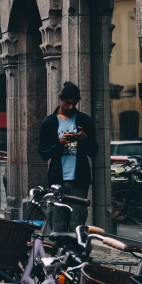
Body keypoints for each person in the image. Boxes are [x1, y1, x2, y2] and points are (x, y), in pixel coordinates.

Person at [39, 81, 99, 232]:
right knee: (57, 223)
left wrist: (84, 139)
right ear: (61, 99)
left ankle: (76, 253)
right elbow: (43, 153)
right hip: (57, 179)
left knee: (77, 222)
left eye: (74, 103)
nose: (71, 107)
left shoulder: (85, 120)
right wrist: (59, 143)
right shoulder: (50, 122)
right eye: (68, 103)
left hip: (79, 180)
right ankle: (60, 254)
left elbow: (94, 151)